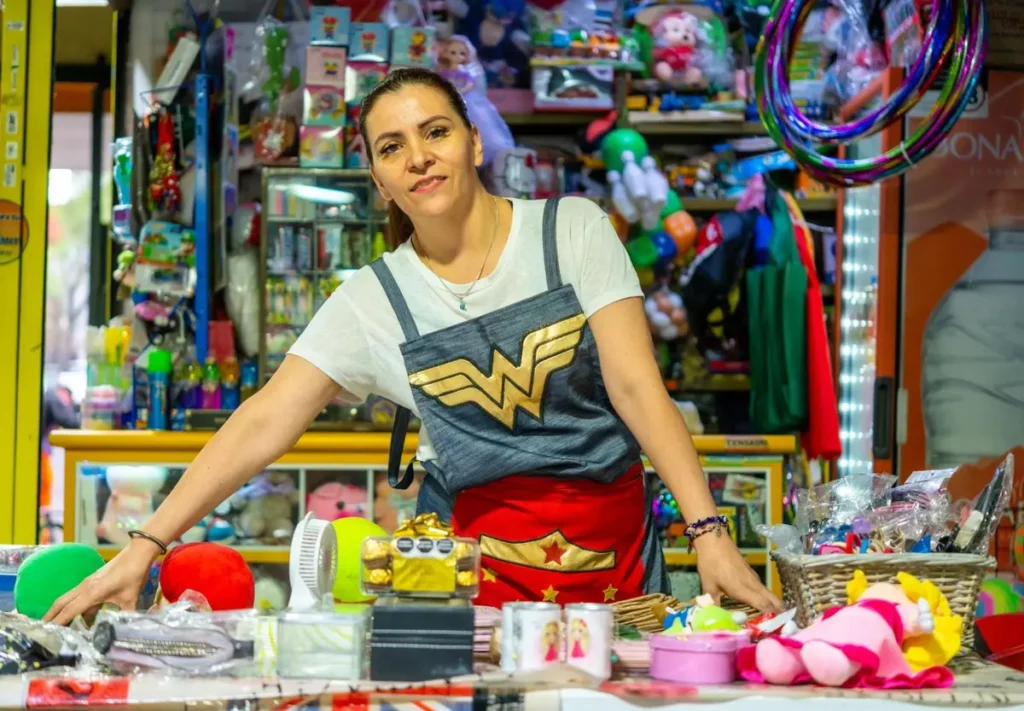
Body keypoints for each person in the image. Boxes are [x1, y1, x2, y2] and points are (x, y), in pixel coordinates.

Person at [46, 68, 781, 624]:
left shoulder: (572, 231)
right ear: (378, 179)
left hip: (615, 566)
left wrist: (709, 529)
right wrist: (147, 543)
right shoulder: (373, 299)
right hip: (470, 588)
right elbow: (265, 418)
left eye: (435, 132)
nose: (420, 157)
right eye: (392, 147)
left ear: (471, 138)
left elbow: (635, 387)